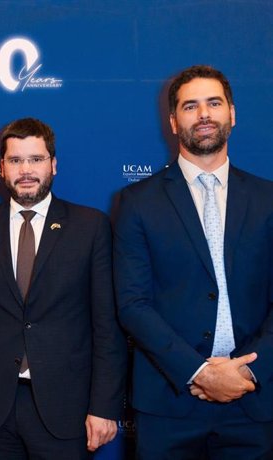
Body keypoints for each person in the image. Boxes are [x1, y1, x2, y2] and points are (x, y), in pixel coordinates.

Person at [114, 65, 273, 458]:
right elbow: (133, 304)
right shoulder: (136, 203)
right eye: (190, 106)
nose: (203, 114)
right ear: (173, 121)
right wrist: (199, 372)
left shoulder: (268, 199)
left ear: (232, 114)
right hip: (169, 405)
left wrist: (248, 371)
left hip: (253, 401)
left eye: (213, 103)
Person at [0, 117, 127, 459]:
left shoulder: (91, 228)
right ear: (1, 168)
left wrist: (104, 405)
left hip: (66, 406)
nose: (26, 170)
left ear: (53, 165)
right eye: (15, 160)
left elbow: (107, 326)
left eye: (36, 159)